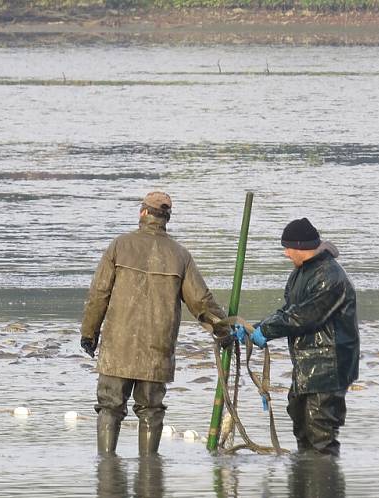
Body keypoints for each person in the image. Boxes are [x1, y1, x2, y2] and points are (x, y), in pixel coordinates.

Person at [80, 191, 227, 455]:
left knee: (109, 406)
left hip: (118, 346)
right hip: (157, 349)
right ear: (167, 218)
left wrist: (89, 333)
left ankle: (107, 467)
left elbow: (98, 294)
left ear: (143, 213)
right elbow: (201, 302)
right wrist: (224, 330)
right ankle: (149, 472)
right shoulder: (180, 255)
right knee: (151, 410)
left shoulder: (119, 245)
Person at [235, 218, 359, 455]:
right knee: (300, 424)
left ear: (301, 246)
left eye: (288, 247)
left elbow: (303, 316)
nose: (285, 253)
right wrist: (254, 329)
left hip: (328, 367)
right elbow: (288, 311)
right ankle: (303, 485)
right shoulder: (300, 273)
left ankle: (323, 484)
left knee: (320, 431)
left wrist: (267, 332)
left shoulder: (330, 277)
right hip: (306, 365)